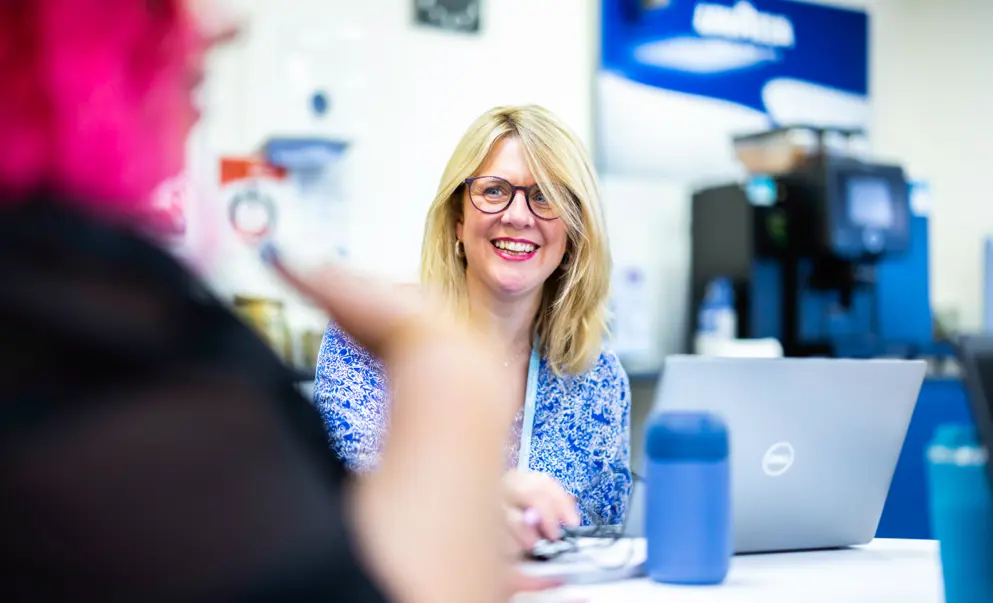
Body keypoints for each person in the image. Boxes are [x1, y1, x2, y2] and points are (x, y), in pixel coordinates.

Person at [0, 1, 541, 601]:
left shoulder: (82, 297)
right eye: (495, 191)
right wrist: (448, 374)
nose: (224, 23)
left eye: (545, 198)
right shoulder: (68, 334)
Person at [314, 105, 633, 551]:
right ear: (458, 220)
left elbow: (604, 538)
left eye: (545, 196)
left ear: (574, 233)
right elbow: (347, 511)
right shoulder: (371, 340)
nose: (518, 216)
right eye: (494, 190)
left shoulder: (597, 378)